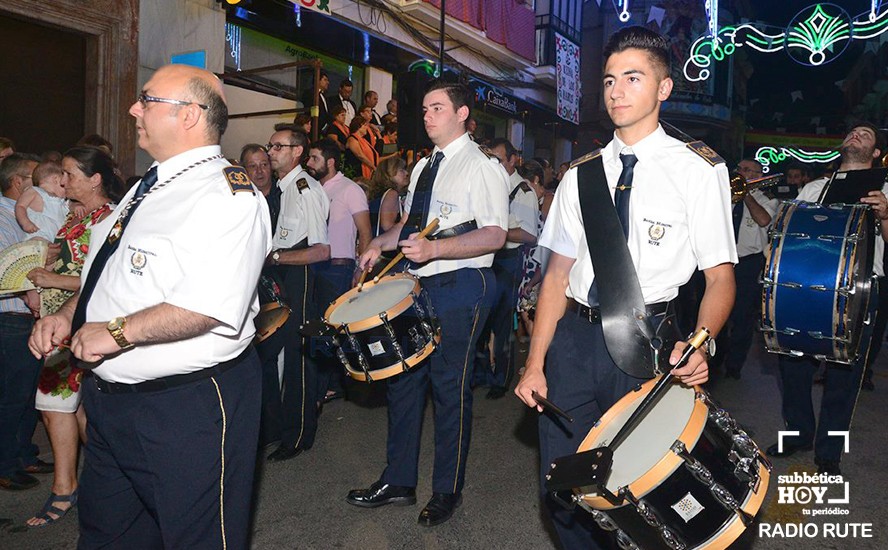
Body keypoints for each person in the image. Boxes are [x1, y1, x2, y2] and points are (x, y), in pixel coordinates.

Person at [28, 64, 271, 548]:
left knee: (198, 538)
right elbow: (112, 276)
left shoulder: (227, 194)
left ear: (190, 115)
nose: (134, 108)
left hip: (186, 407)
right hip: (114, 403)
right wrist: (69, 313)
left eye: (147, 99)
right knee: (108, 535)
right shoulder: (144, 188)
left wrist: (115, 332)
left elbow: (210, 305)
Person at [514, 27, 736, 549]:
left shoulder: (698, 170)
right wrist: (534, 361)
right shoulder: (579, 176)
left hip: (651, 341)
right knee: (564, 488)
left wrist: (699, 344)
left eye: (632, 78)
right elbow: (557, 276)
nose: (616, 90)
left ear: (663, 88)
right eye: (610, 80)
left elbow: (721, 278)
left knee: (638, 492)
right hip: (573, 341)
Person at [351, 79, 509, 526]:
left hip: (462, 284)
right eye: (424, 109)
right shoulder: (423, 167)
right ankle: (399, 480)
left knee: (448, 387)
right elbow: (408, 225)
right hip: (417, 285)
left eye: (437, 108)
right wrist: (380, 245)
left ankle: (447, 490)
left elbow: (495, 234)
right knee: (403, 382)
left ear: (462, 115)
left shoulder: (483, 167)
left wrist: (437, 250)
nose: (427, 116)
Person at [765, 122, 888, 476]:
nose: (856, 136)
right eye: (852, 132)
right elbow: (785, 233)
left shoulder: (885, 189)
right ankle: (799, 433)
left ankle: (830, 450)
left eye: (865, 135)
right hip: (805, 285)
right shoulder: (816, 187)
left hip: (862, 287)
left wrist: (885, 213)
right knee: (793, 364)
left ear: (876, 153)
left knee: (845, 374)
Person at [24, 147, 123, 527]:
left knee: (59, 404)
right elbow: (72, 259)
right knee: (69, 408)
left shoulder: (113, 218)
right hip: (58, 322)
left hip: (88, 325)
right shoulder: (73, 216)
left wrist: (53, 279)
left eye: (69, 174)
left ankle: (69, 490)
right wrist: (48, 261)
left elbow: (107, 277)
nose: (62, 181)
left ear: (95, 179)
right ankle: (87, 485)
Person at [263, 124, 330, 462]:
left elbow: (321, 251)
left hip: (298, 274)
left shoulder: (307, 189)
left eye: (278, 147)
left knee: (297, 358)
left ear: (297, 152)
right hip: (279, 272)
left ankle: (299, 434)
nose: (271, 152)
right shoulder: (281, 188)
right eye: (271, 146)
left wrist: (274, 257)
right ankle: (274, 429)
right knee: (266, 354)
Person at [305, 138, 371, 404]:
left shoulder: (349, 189)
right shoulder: (310, 188)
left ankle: (332, 386)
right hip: (313, 266)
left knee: (334, 328)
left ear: (330, 162)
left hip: (339, 268)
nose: (308, 163)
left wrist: (360, 270)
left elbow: (365, 232)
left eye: (314, 158)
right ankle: (325, 384)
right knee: (318, 328)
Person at [475, 138, 538, 399]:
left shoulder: (523, 192)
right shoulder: (487, 185)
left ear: (513, 160)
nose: (496, 164)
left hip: (507, 261)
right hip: (483, 258)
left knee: (502, 325)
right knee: (480, 321)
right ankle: (479, 374)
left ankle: (500, 379)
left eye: (500, 159)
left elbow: (530, 234)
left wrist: (496, 234)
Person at [0, 153, 48, 493]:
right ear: (18, 183)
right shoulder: (2, 217)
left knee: (29, 394)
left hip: (32, 318)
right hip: (10, 316)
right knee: (11, 397)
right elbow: (7, 274)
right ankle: (5, 464)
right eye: (35, 179)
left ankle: (23, 453)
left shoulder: (27, 216)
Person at [718, 158, 778, 380]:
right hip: (723, 260)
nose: (740, 172)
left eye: (746, 170)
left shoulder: (768, 199)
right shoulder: (724, 196)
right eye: (738, 169)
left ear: (757, 175)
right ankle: (715, 359)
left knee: (743, 317)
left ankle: (734, 365)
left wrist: (747, 195)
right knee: (718, 312)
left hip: (749, 262)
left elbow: (763, 220)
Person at [15, 161, 69, 242]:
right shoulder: (34, 191)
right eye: (65, 185)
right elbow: (20, 206)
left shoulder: (62, 201)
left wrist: (78, 207)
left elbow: (71, 208)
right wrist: (25, 222)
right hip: (37, 235)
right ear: (56, 180)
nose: (67, 188)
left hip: (54, 240)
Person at [240, 143, 280, 230]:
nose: (259, 171)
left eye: (264, 164)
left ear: (271, 167)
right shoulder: (239, 199)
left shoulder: (283, 194)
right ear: (244, 170)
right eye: (252, 166)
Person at [367, 156, 409, 237]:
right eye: (401, 170)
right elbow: (387, 226)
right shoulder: (391, 194)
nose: (406, 173)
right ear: (389, 174)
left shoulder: (378, 193)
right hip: (386, 244)